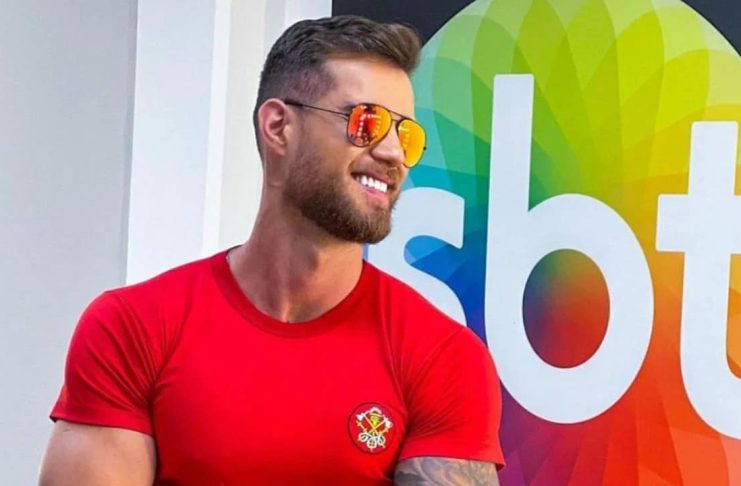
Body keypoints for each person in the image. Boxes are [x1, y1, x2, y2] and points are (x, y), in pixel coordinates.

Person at [39, 15, 503, 485]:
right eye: (367, 123)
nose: (393, 154)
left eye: (405, 135)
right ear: (278, 125)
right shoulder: (132, 327)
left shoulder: (444, 359)